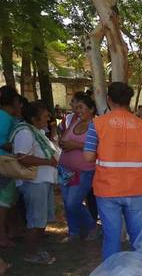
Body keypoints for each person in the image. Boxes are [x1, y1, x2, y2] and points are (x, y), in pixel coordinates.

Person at [83, 82, 142, 261]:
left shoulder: (97, 124)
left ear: (109, 99)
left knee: (112, 236)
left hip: (107, 188)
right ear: (129, 100)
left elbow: (88, 157)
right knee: (138, 236)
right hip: (136, 188)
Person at [11, 101, 59, 264]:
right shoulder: (25, 133)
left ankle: (36, 249)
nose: (48, 119)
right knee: (36, 219)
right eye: (45, 116)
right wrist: (48, 162)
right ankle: (31, 253)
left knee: (42, 219)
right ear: (33, 118)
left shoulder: (36, 131)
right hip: (34, 183)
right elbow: (22, 158)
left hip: (43, 181)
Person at [58, 92, 98, 242]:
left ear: (91, 109)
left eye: (81, 107)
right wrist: (64, 142)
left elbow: (98, 148)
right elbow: (63, 139)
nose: (77, 110)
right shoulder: (74, 121)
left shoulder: (96, 126)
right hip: (64, 170)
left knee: (72, 203)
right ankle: (73, 232)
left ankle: (92, 226)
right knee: (67, 203)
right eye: (76, 107)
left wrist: (76, 145)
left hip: (83, 172)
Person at [0, 86, 21, 248]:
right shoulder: (5, 118)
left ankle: (13, 230)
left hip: (7, 163)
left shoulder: (8, 117)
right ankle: (2, 236)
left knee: (9, 200)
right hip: (5, 164)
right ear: (14, 101)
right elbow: (4, 142)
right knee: (4, 201)